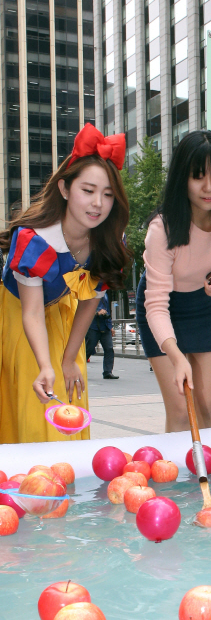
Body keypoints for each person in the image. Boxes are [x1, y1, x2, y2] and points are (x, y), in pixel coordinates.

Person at [0, 124, 129, 444]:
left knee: (70, 390)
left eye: (108, 194)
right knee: (37, 396)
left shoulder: (109, 240)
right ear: (64, 189)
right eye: (88, 190)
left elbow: (89, 301)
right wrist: (47, 364)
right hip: (17, 314)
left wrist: (70, 358)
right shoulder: (34, 239)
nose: (98, 203)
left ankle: (68, 478)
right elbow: (30, 313)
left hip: (61, 309)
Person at [136, 130, 211, 432]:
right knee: (181, 412)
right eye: (198, 177)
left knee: (210, 406)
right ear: (182, 178)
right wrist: (176, 357)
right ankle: (176, 479)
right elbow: (156, 305)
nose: (209, 187)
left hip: (204, 305)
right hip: (161, 308)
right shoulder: (162, 230)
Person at [86, 290, 118, 379]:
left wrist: (110, 326)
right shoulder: (90, 291)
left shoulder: (105, 293)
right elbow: (85, 308)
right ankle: (79, 368)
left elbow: (107, 310)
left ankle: (107, 372)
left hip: (105, 326)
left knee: (109, 348)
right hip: (93, 326)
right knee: (89, 348)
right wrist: (97, 312)